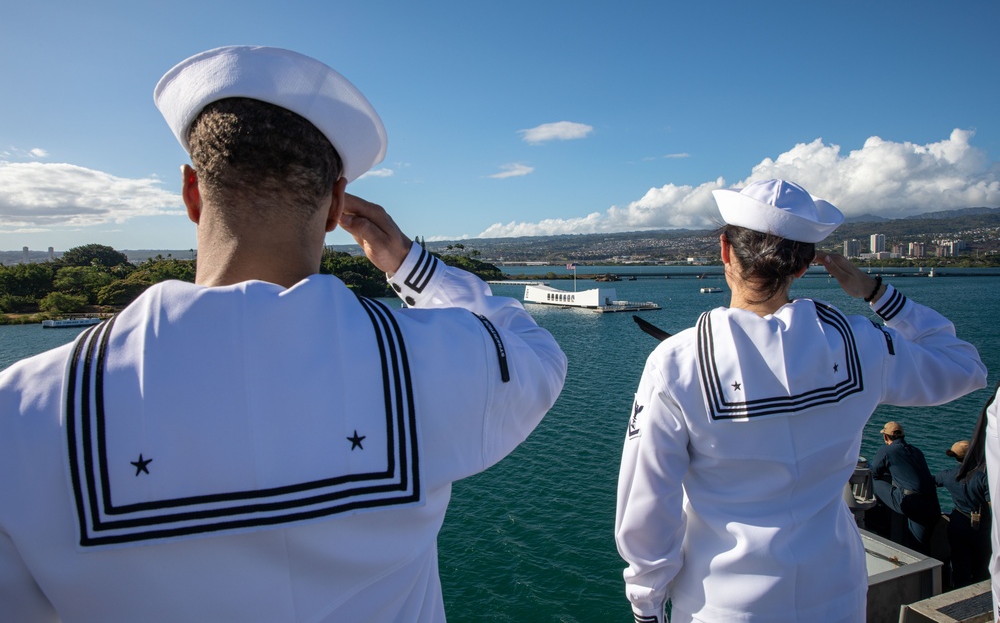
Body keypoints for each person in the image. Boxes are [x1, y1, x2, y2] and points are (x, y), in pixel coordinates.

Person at [0, 46, 567, 622]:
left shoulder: (21, 410)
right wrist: (407, 264)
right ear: (334, 207)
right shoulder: (425, 360)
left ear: (192, 193)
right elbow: (535, 354)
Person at [615, 179, 987, 623]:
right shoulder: (860, 343)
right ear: (804, 265)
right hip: (836, 595)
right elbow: (965, 367)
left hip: (722, 605)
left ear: (724, 250)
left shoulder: (677, 362)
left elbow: (648, 507)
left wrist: (647, 608)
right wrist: (876, 292)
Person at [870, 421, 941, 554]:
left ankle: (877, 521)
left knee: (873, 480)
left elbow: (874, 472)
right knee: (921, 546)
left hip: (912, 504)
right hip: (932, 504)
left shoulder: (886, 450)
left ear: (885, 437)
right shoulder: (917, 451)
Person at [934, 440, 991, 588]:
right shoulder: (982, 478)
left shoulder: (948, 475)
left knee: (960, 564)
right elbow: (992, 502)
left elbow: (932, 481)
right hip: (981, 527)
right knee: (982, 565)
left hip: (958, 522)